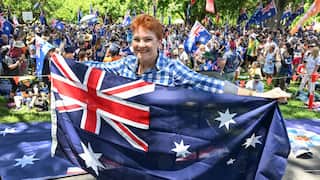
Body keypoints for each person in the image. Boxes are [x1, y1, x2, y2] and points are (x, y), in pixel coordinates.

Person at [84, 14, 290, 99]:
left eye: (147, 40)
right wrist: (55, 58)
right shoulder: (125, 65)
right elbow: (90, 67)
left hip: (160, 143)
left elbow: (209, 83)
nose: (141, 45)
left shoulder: (172, 69)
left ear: (159, 42)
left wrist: (259, 95)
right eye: (137, 39)